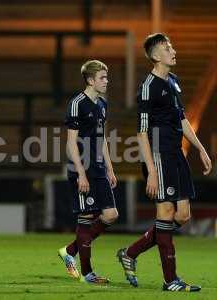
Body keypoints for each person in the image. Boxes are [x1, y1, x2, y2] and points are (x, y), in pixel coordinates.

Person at [116, 33, 212, 292]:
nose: (173, 50)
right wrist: (151, 171)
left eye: (171, 46)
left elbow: (182, 120)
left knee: (183, 215)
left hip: (176, 154)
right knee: (166, 214)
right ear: (156, 56)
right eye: (167, 47)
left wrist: (200, 148)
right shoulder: (148, 87)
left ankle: (130, 252)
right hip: (158, 155)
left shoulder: (173, 81)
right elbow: (141, 132)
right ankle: (171, 280)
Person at [57, 60, 118, 284]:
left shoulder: (102, 104)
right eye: (103, 78)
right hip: (81, 168)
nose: (106, 81)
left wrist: (110, 168)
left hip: (99, 168)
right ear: (91, 80)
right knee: (86, 217)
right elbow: (71, 143)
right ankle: (87, 273)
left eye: (107, 77)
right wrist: (81, 173)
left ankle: (70, 250)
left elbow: (101, 140)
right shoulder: (77, 103)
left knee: (111, 215)